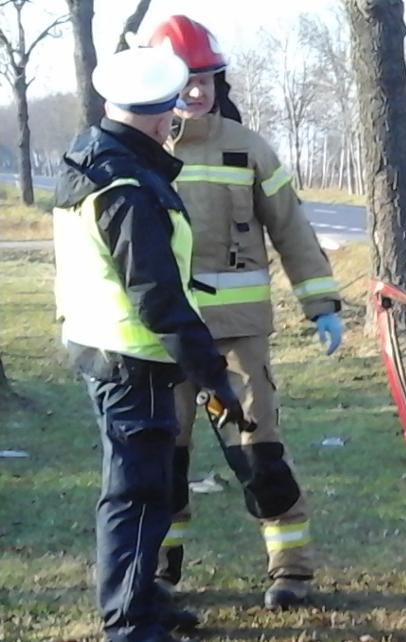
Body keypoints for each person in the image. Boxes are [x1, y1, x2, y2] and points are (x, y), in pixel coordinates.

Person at [53, 46, 247, 642]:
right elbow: (157, 295)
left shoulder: (94, 155)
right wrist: (214, 375)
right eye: (170, 113)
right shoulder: (128, 185)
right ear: (160, 116)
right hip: (131, 357)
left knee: (151, 483)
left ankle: (141, 599)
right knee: (136, 492)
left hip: (106, 347)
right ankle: (130, 627)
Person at [148, 15, 344, 609]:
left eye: (206, 78)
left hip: (239, 341)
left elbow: (293, 230)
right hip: (165, 341)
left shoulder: (248, 147)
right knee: (164, 462)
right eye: (185, 80)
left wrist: (321, 304)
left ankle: (292, 570)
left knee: (260, 457)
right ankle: (159, 573)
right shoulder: (143, 150)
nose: (197, 91)